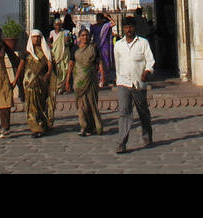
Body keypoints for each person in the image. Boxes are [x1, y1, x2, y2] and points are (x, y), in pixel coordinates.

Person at [113, 15, 155, 154]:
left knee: (142, 111)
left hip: (138, 82)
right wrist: (118, 79)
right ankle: (121, 143)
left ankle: (147, 135)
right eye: (126, 27)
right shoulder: (118, 45)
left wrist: (147, 71)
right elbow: (117, 64)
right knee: (124, 112)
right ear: (123, 29)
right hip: (123, 82)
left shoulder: (143, 43)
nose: (128, 29)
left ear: (134, 28)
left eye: (130, 27)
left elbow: (150, 60)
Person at [15, 29, 54, 137]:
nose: (36, 39)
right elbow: (21, 66)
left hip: (41, 82)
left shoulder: (45, 51)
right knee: (31, 105)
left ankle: (43, 124)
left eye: (38, 37)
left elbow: (50, 63)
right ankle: (36, 128)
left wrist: (48, 73)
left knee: (41, 104)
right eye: (34, 37)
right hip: (29, 82)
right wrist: (15, 80)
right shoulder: (27, 52)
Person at [66, 26, 104, 136]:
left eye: (87, 35)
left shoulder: (93, 48)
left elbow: (99, 62)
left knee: (91, 103)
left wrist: (102, 76)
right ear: (79, 37)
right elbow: (71, 64)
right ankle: (84, 126)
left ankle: (94, 126)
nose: (85, 37)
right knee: (81, 104)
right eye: (82, 35)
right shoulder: (75, 49)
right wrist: (68, 80)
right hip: (79, 80)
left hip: (91, 79)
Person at [49, 18, 71, 105]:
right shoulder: (52, 33)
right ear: (54, 25)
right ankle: (56, 87)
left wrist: (66, 39)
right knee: (56, 70)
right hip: (55, 53)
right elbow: (50, 42)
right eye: (56, 24)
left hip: (63, 53)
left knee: (63, 70)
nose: (58, 26)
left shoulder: (65, 32)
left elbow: (68, 42)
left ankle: (61, 87)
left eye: (59, 24)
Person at [95, 13, 115, 87]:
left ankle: (105, 79)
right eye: (97, 19)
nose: (98, 20)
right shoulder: (94, 26)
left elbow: (114, 23)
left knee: (106, 62)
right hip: (97, 46)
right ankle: (99, 79)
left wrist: (108, 17)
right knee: (97, 63)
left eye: (100, 19)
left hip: (105, 46)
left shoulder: (105, 26)